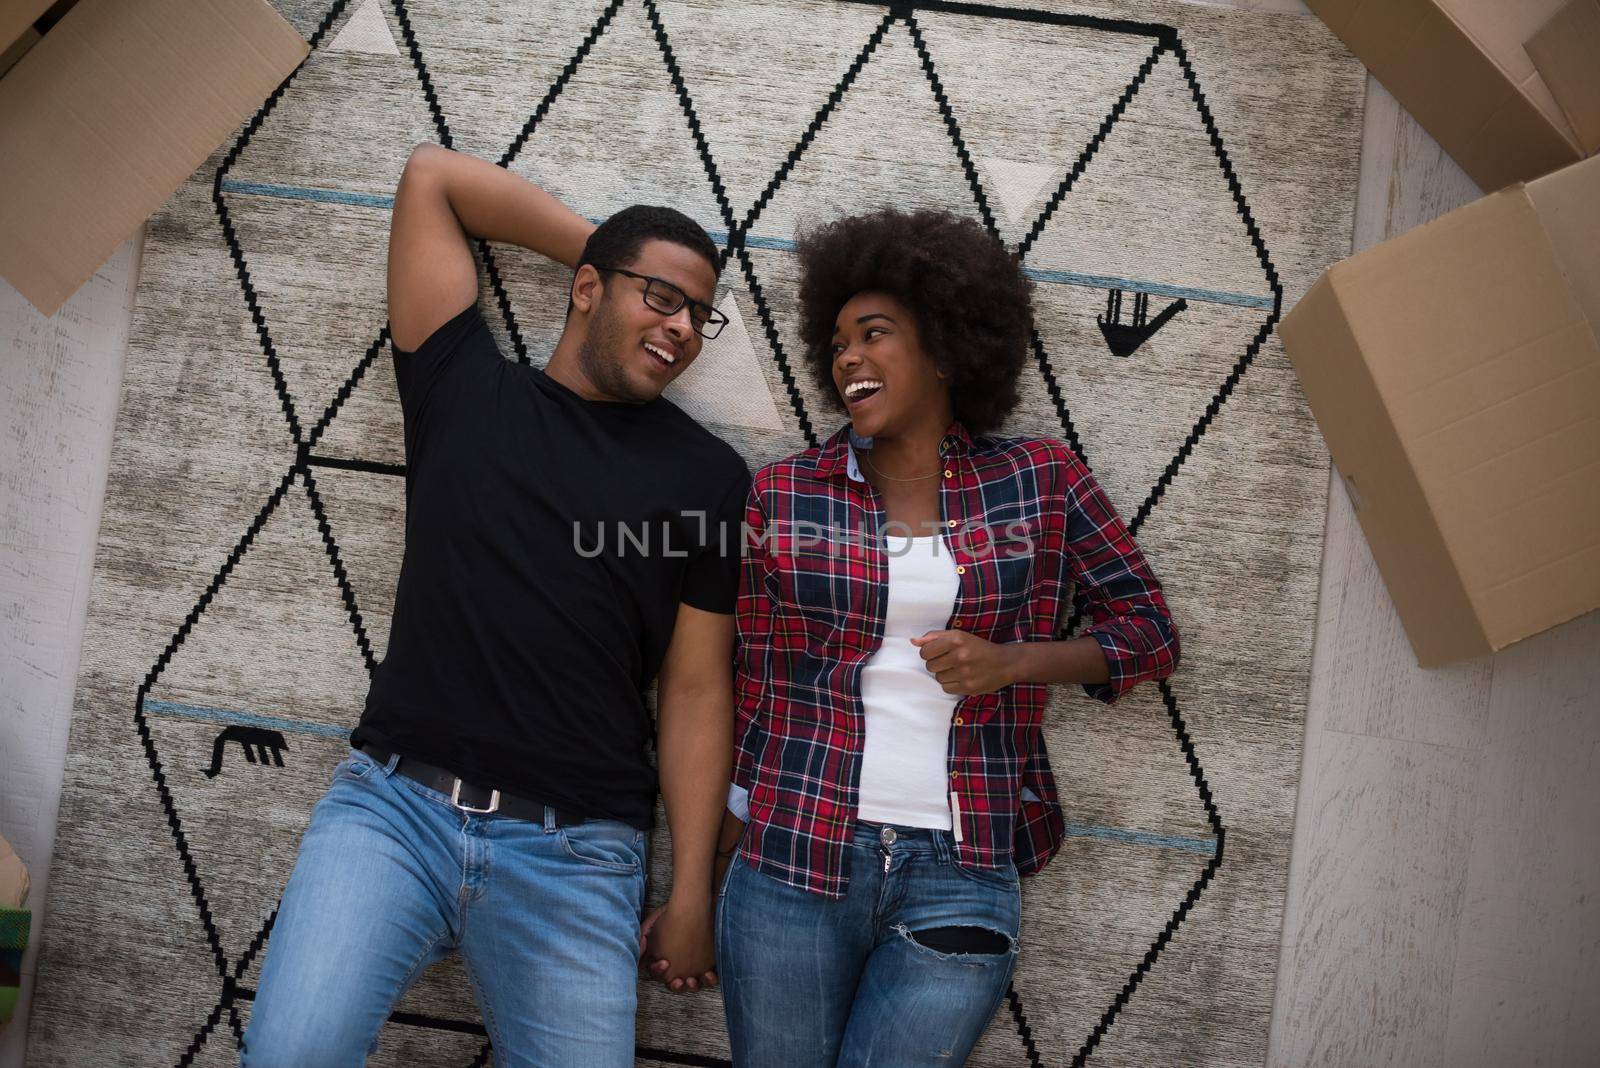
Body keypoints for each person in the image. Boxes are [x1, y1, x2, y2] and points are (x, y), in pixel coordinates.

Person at [240, 143, 743, 1067]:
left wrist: (691, 894)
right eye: (659, 297)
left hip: (578, 856)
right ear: (585, 287)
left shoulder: (707, 478)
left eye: (698, 315)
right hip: (394, 812)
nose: (680, 328)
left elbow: (699, 692)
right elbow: (432, 176)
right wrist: (601, 242)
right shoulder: (461, 384)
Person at [710, 207, 1181, 1066]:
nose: (847, 356)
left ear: (944, 346)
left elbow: (1149, 631)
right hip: (793, 856)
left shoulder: (1040, 478)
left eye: (875, 333)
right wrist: (710, 875)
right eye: (838, 341)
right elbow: (759, 691)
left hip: (958, 871)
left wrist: (1017, 663)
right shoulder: (785, 494)